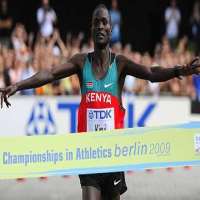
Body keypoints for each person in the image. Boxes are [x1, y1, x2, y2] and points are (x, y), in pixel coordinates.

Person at [0, 4, 200, 200]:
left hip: (113, 154)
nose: (101, 27)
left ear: (111, 29)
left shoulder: (120, 64)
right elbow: (49, 74)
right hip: (89, 153)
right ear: (91, 29)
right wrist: (17, 85)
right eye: (96, 23)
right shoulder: (80, 62)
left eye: (105, 22)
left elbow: (151, 73)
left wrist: (179, 70)